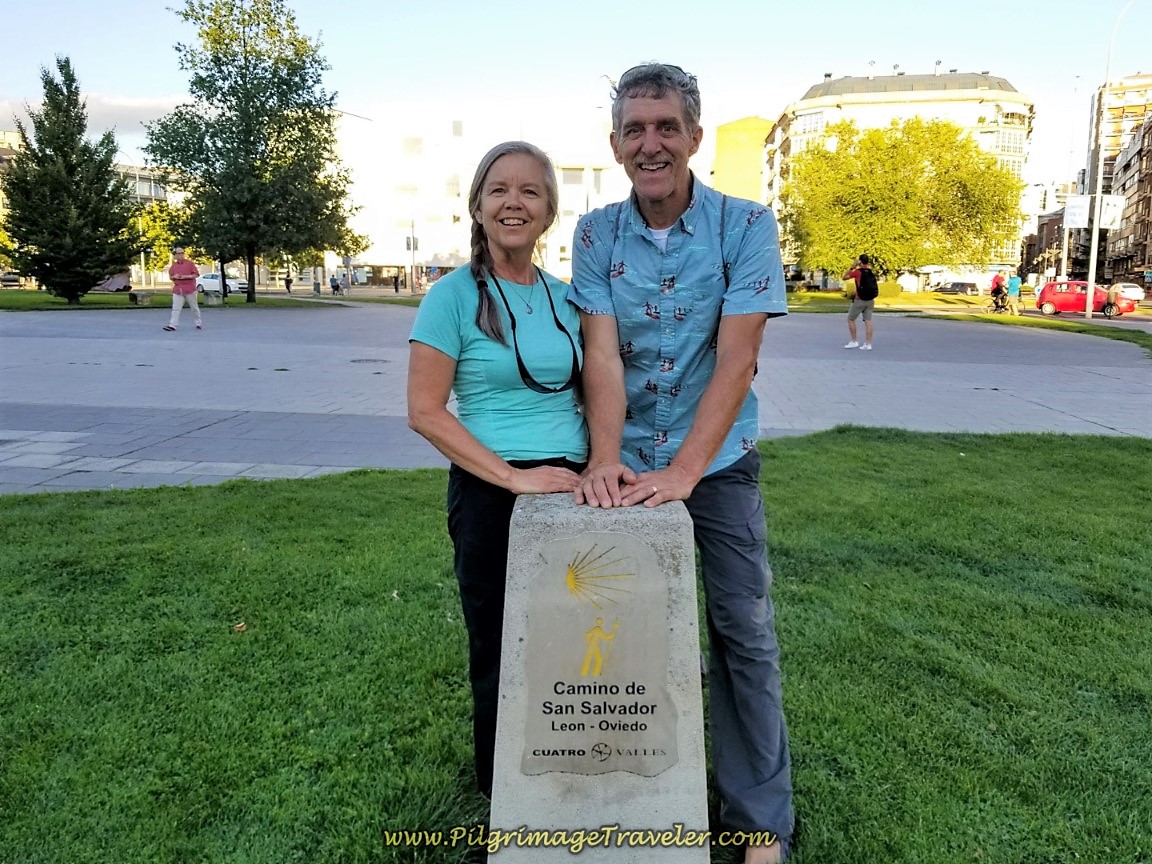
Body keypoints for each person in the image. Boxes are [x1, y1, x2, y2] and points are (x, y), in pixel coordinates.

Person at [569, 63, 792, 864]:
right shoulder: (595, 233)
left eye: (666, 127)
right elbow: (600, 353)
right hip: (624, 464)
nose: (651, 143)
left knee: (743, 631)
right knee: (615, 630)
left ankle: (759, 823)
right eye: (635, 129)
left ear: (695, 137)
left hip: (718, 463)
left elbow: (738, 361)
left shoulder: (746, 225)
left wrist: (689, 473)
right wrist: (602, 459)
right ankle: (621, 797)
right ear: (616, 144)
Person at [407, 141, 587, 799]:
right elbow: (425, 411)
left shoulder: (569, 299)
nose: (514, 202)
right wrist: (512, 479)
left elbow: (593, 394)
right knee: (501, 646)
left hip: (573, 488)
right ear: (478, 206)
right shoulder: (450, 297)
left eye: (530, 191)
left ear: (548, 211)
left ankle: (572, 769)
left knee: (572, 639)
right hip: (492, 491)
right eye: (499, 190)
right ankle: (507, 793)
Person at [843, 254, 877, 350]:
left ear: (860, 262)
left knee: (851, 319)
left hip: (859, 300)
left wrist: (852, 267)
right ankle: (868, 344)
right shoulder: (870, 272)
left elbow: (844, 277)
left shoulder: (858, 272)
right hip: (870, 300)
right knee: (868, 321)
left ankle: (854, 341)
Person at [164, 246, 201, 332]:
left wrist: (185, 277)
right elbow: (171, 277)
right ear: (175, 255)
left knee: (194, 307)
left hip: (190, 289)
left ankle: (198, 322)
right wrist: (174, 277)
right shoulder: (173, 266)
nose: (181, 255)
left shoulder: (190, 264)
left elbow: (196, 274)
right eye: (179, 254)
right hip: (178, 290)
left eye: (182, 253)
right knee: (176, 308)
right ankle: (172, 325)